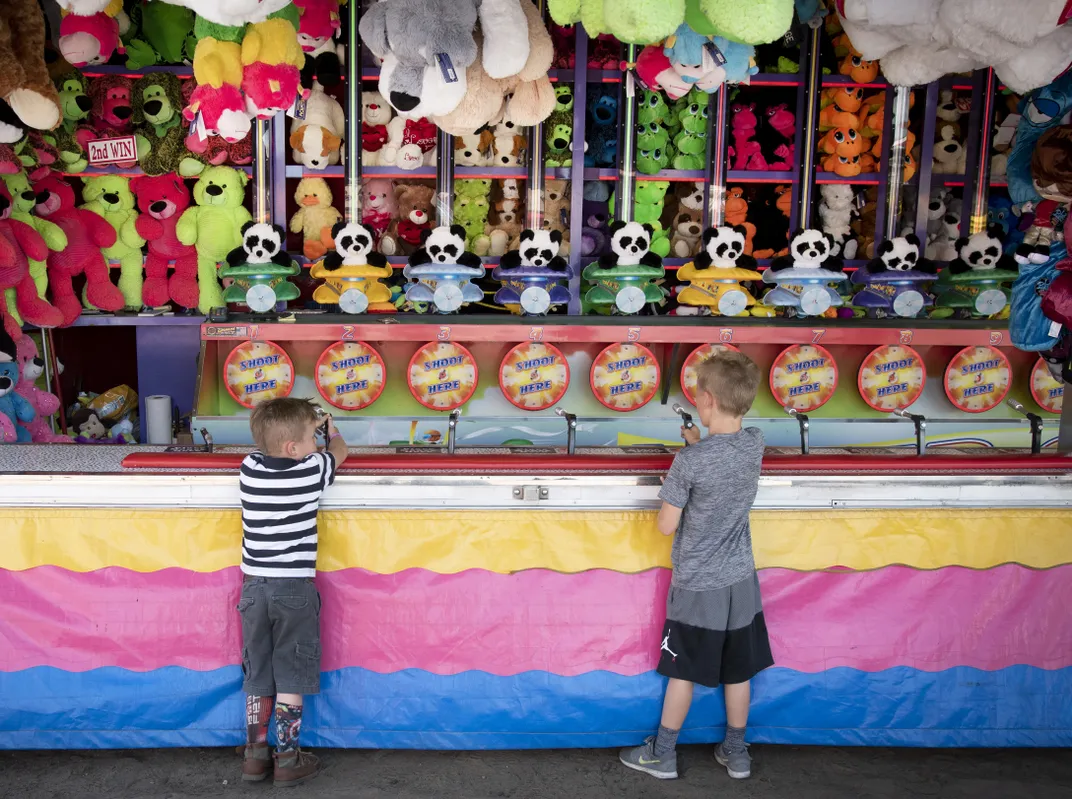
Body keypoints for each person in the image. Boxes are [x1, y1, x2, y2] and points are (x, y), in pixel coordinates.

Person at [619, 350, 773, 781]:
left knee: (682, 670)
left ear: (705, 400)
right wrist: (696, 448)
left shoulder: (690, 462)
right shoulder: (754, 442)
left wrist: (675, 478)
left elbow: (666, 526)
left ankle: (662, 754)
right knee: (738, 671)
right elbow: (722, 462)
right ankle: (736, 751)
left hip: (698, 585)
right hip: (741, 580)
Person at [237, 398, 348, 787]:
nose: (315, 445)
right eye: (309, 439)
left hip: (254, 590)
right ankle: (287, 759)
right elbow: (341, 451)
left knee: (257, 671)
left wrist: (299, 430)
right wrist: (328, 429)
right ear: (294, 449)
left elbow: (266, 445)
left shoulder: (249, 469)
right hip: (294, 591)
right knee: (290, 676)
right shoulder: (311, 471)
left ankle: (254, 757)